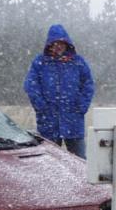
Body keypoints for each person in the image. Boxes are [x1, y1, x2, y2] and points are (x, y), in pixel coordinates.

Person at [23, 24, 94, 159]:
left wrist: (81, 106)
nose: (58, 46)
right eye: (54, 43)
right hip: (48, 122)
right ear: (49, 45)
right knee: (49, 163)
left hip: (73, 122)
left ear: (67, 44)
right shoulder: (40, 62)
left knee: (80, 162)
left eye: (61, 43)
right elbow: (30, 85)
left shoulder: (78, 62)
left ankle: (79, 182)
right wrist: (41, 107)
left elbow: (88, 85)